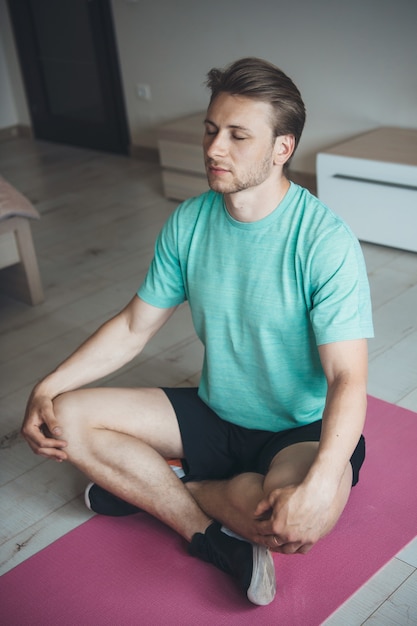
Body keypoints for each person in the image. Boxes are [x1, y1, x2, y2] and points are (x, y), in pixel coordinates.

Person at [21, 57, 373, 607]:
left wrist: (326, 477)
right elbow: (136, 324)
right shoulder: (188, 221)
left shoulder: (324, 242)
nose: (213, 149)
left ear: (283, 148)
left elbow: (348, 375)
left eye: (237, 136)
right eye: (211, 130)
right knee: (65, 415)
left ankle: (164, 488)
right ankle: (204, 533)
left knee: (290, 522)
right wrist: (46, 386)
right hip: (214, 413)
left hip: (298, 429)